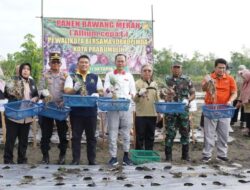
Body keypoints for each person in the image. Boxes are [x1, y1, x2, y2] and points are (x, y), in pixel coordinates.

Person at [64, 55, 103, 165]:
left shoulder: (95, 77)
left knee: (91, 137)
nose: (84, 64)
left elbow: (101, 91)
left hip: (91, 112)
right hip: (76, 112)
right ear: (78, 64)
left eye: (86, 62)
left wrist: (97, 93)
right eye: (81, 62)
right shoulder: (71, 77)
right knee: (76, 137)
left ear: (89, 64)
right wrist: (74, 88)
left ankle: (92, 160)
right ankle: (76, 160)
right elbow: (66, 91)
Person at [201, 58, 237, 162]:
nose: (221, 70)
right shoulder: (209, 77)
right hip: (210, 109)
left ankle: (222, 154)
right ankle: (207, 154)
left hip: (224, 110)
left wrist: (230, 100)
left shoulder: (230, 79)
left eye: (223, 68)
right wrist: (209, 82)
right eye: (219, 68)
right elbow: (203, 89)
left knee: (224, 133)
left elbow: (234, 93)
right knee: (209, 133)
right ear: (215, 67)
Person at [104, 53, 136, 166]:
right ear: (115, 62)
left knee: (126, 132)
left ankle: (126, 156)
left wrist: (131, 95)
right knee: (112, 132)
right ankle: (113, 157)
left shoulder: (129, 76)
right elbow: (105, 91)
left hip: (126, 107)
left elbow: (133, 91)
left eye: (122, 61)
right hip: (113, 106)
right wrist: (110, 89)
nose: (120, 63)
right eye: (118, 61)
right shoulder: (109, 75)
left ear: (125, 62)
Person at [3, 63, 39, 164]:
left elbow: (36, 94)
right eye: (24, 69)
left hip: (26, 116)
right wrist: (13, 93)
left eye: (28, 69)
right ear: (20, 71)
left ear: (30, 71)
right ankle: (8, 160)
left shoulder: (32, 82)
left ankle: (22, 159)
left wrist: (35, 98)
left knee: (23, 141)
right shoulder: (14, 80)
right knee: (11, 140)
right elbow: (6, 94)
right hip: (14, 116)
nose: (26, 71)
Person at [39, 52, 68, 164]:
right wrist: (44, 95)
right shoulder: (44, 75)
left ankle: (62, 155)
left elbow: (68, 90)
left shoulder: (65, 76)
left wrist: (64, 101)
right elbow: (39, 90)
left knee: (62, 133)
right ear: (49, 63)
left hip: (60, 109)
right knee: (46, 134)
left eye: (57, 62)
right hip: (47, 108)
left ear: (60, 64)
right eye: (53, 62)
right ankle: (45, 156)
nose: (55, 64)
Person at [163, 61, 195, 161]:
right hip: (171, 111)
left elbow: (193, 94)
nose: (176, 69)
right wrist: (166, 96)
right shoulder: (167, 80)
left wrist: (188, 100)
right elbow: (161, 94)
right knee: (170, 133)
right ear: (171, 68)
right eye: (174, 67)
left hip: (183, 111)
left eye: (178, 67)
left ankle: (185, 157)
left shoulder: (187, 79)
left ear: (181, 68)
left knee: (185, 133)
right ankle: (168, 157)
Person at [134, 64, 159, 150]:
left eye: (149, 71)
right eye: (144, 70)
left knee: (150, 136)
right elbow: (134, 99)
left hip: (152, 114)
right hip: (141, 115)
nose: (147, 72)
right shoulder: (137, 83)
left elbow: (157, 99)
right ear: (141, 72)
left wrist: (159, 113)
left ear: (152, 72)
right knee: (140, 136)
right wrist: (139, 94)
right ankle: (139, 156)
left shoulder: (154, 84)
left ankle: (149, 155)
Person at [237, 69, 250, 136]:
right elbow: (242, 93)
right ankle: (248, 130)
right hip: (247, 104)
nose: (243, 79)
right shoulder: (245, 84)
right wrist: (239, 101)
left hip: (248, 102)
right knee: (247, 116)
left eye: (244, 77)